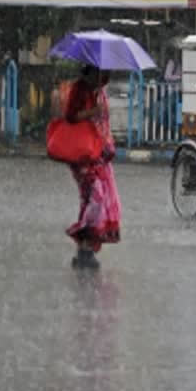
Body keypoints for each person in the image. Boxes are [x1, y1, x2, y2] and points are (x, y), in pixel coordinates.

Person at [63, 65, 121, 270]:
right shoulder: (79, 89)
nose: (103, 78)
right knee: (93, 198)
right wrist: (91, 112)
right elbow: (70, 116)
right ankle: (84, 246)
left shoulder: (99, 91)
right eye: (101, 74)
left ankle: (86, 249)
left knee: (97, 201)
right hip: (82, 154)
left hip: (97, 153)